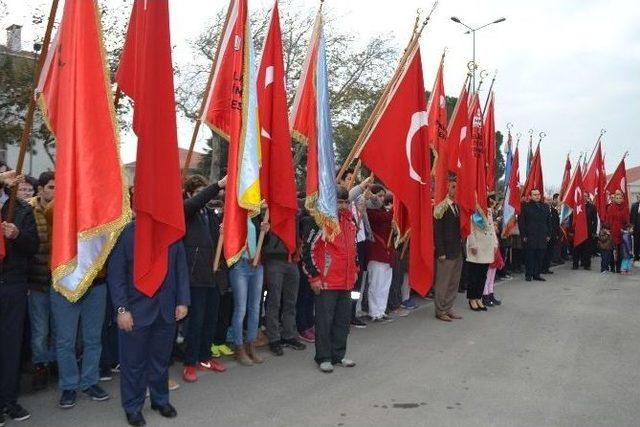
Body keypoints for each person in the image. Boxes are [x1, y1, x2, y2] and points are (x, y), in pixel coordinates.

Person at [108, 222, 190, 427]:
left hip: (166, 309)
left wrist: (182, 301)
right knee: (133, 363)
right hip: (135, 311)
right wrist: (121, 309)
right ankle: (133, 407)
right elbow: (116, 274)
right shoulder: (127, 234)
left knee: (161, 361)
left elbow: (181, 268)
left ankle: (160, 400)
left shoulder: (172, 232)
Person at [302, 186, 358, 373]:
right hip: (327, 280)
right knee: (325, 321)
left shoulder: (351, 222)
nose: (342, 205)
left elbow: (354, 248)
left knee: (342, 320)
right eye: (339, 201)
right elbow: (308, 251)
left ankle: (338, 355)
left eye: (345, 201)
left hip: (346, 280)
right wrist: (315, 277)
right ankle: (323, 357)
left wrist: (355, 269)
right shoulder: (320, 222)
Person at [181, 174, 227, 383]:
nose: (202, 197)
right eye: (198, 192)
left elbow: (218, 246)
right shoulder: (186, 211)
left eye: (203, 191)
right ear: (190, 194)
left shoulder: (211, 215)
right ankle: (190, 363)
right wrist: (217, 186)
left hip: (213, 275)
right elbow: (195, 203)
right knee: (196, 322)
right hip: (195, 276)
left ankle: (205, 357)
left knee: (210, 320)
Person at [0, 171, 38, 424]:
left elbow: (33, 246)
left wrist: (17, 235)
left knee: (11, 346)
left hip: (12, 284)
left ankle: (9, 400)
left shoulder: (22, 209)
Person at [263, 211, 307, 357]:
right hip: (274, 261)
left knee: (291, 301)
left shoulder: (294, 213)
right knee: (274, 301)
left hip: (291, 261)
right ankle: (274, 338)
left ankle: (288, 335)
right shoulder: (269, 210)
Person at [27, 171, 56, 391]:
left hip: (58, 281)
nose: (54, 192)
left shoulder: (63, 209)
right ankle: (40, 366)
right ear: (40, 189)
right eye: (50, 188)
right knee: (40, 331)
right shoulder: (28, 209)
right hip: (36, 281)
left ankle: (54, 365)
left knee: (58, 329)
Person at [228, 212, 269, 366]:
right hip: (240, 265)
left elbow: (262, 243)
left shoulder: (255, 216)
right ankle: (239, 347)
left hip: (257, 265)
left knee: (255, 307)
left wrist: (266, 231)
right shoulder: (234, 214)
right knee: (241, 309)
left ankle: (251, 345)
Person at [433, 177, 464, 322]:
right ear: (446, 188)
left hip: (457, 250)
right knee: (443, 282)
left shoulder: (457, 206)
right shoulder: (441, 207)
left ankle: (448, 306)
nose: (455, 189)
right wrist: (441, 252)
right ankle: (440, 310)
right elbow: (437, 231)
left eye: (457, 187)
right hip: (446, 251)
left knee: (453, 281)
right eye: (452, 187)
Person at [365, 184, 395, 322]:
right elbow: (382, 218)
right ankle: (374, 311)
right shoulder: (369, 211)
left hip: (387, 253)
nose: (381, 198)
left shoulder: (385, 211)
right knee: (375, 284)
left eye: (383, 196)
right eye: (379, 195)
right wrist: (396, 208)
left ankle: (381, 310)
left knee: (384, 284)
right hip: (376, 252)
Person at [465, 196, 499, 311]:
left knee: (482, 275)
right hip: (477, 247)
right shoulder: (474, 212)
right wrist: (472, 244)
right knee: (474, 275)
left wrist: (495, 243)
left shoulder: (488, 211)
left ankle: (479, 297)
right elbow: (470, 230)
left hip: (487, 247)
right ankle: (472, 299)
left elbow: (491, 229)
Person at [519, 189, 551, 282]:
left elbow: (548, 221)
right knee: (530, 256)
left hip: (542, 235)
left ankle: (537, 274)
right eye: (534, 194)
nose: (537, 196)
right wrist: (523, 235)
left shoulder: (545, 206)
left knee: (540, 256)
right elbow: (522, 222)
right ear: (530, 196)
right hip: (530, 235)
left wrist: (548, 234)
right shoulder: (525, 206)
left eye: (538, 194)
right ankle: (528, 274)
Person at [572, 194, 598, 270]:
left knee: (587, 249)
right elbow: (573, 218)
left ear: (588, 198)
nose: (584, 197)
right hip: (578, 231)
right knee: (577, 248)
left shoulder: (592, 207)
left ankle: (587, 264)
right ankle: (575, 264)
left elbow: (595, 220)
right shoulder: (577, 206)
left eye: (586, 196)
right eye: (583, 196)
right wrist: (572, 230)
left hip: (588, 231)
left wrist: (594, 231)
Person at [605, 191, 627, 273]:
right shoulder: (610, 208)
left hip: (621, 234)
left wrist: (627, 229)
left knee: (620, 252)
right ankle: (612, 267)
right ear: (614, 199)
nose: (618, 199)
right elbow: (607, 220)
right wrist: (607, 229)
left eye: (620, 198)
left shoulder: (625, 208)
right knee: (611, 252)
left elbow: (627, 221)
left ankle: (618, 267)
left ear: (622, 199)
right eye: (616, 198)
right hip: (612, 233)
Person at [630, 195, 640, 261]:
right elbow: (631, 217)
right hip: (636, 228)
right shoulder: (634, 205)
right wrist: (631, 227)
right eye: (638, 197)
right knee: (636, 243)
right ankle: (636, 256)